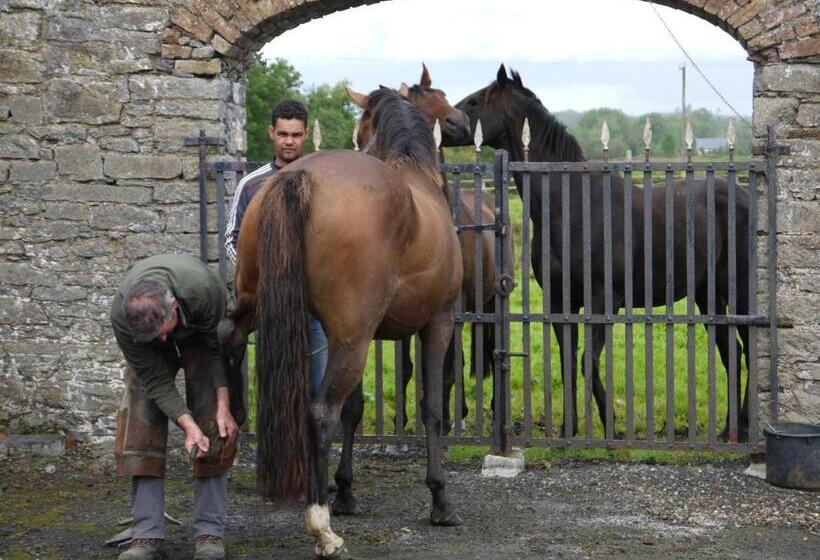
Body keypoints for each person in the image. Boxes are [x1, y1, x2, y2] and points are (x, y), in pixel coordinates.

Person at [111, 254, 240, 560]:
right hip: (150, 344)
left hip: (200, 332)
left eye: (165, 330)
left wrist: (223, 405)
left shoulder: (204, 291)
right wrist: (187, 425)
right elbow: (156, 380)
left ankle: (209, 531)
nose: (166, 339)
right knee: (141, 417)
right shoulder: (122, 318)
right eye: (158, 337)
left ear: (171, 307)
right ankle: (146, 534)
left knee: (213, 419)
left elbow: (214, 351)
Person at [225, 99, 328, 397]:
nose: (289, 142)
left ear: (306, 135)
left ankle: (314, 442)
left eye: (296, 135)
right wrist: (262, 277)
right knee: (277, 386)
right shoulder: (251, 184)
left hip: (315, 305)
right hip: (270, 305)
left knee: (317, 386)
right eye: (283, 134)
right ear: (271, 132)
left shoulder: (324, 184)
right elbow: (233, 239)